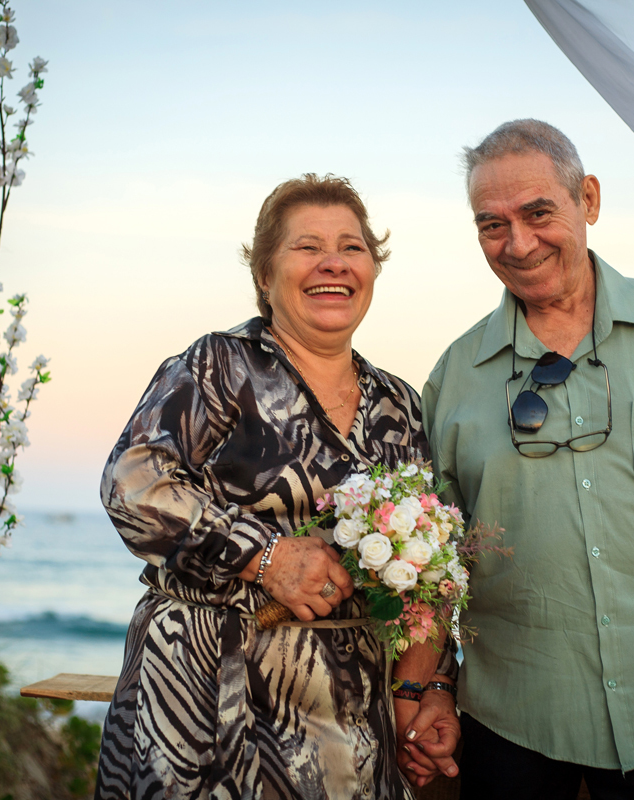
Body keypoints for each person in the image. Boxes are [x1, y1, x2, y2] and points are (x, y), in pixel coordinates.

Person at [420, 120, 634, 799]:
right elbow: (434, 564)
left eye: (538, 212)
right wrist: (431, 685)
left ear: (590, 200)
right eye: (492, 225)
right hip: (513, 711)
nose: (518, 244)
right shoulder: (453, 376)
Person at [94, 173, 460, 800]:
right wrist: (264, 558)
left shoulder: (400, 403)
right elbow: (132, 484)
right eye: (307, 246)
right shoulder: (218, 366)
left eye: (352, 247)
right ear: (264, 275)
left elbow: (428, 565)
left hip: (354, 727)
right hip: (209, 705)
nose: (333, 264)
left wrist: (430, 691)